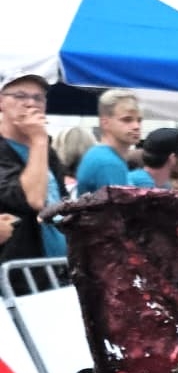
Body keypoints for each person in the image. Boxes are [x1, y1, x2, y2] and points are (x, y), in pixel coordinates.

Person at [0, 74, 69, 265]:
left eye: (38, 98)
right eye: (20, 96)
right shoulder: (37, 145)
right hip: (18, 276)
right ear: (1, 101)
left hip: (57, 269)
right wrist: (38, 140)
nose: (31, 103)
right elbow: (34, 200)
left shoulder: (48, 152)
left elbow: (61, 203)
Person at [74, 94, 152, 194]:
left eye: (139, 120)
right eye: (127, 119)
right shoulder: (108, 162)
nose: (136, 126)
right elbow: (119, 208)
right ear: (105, 123)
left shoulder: (102, 155)